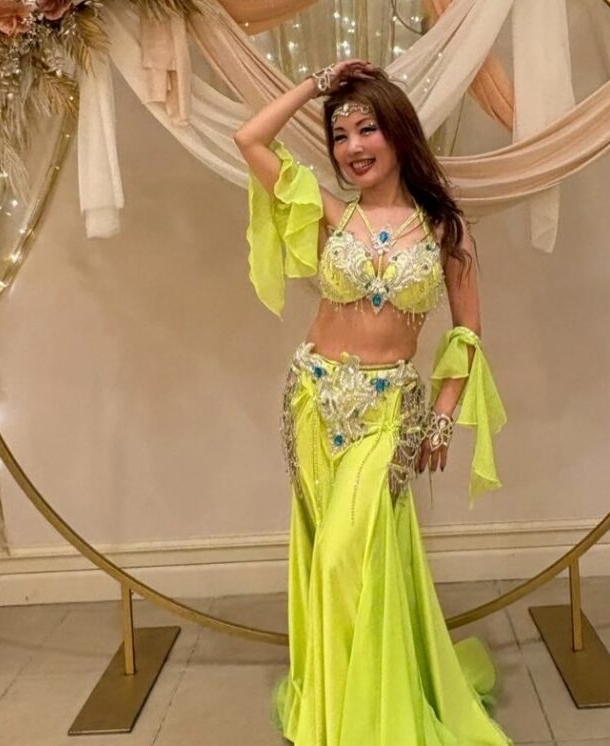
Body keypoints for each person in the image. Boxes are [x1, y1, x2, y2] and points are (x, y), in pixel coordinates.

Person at [234, 58, 510, 745]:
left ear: (398, 133)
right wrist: (317, 84)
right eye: (340, 135)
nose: (352, 147)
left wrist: (442, 418)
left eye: (367, 129)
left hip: (389, 412)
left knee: (343, 558)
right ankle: (341, 705)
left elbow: (467, 333)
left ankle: (373, 714)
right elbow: (250, 140)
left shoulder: (444, 231)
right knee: (332, 558)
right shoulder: (328, 213)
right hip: (315, 400)